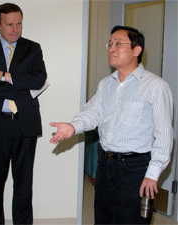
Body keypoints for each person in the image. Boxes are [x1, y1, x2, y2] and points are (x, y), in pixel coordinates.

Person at [50, 25, 173, 224]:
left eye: (118, 44)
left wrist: (152, 174)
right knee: (103, 219)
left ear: (137, 50)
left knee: (132, 220)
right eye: (110, 44)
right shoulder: (106, 84)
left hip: (135, 168)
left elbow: (165, 134)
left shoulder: (156, 86)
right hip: (105, 165)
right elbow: (92, 114)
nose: (111, 49)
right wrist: (73, 127)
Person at [0, 3, 47, 224]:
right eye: (9, 24)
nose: (15, 29)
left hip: (25, 123)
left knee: (23, 184)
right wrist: (21, 85)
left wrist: (4, 76)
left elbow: (39, 79)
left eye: (19, 23)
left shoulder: (33, 48)